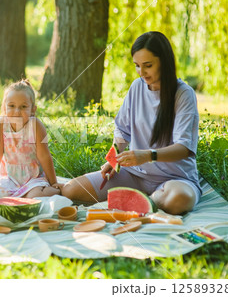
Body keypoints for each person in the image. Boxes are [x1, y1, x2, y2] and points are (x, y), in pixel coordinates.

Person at [62, 31, 201, 215]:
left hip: (174, 180)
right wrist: (113, 160)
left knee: (179, 200)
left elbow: (183, 148)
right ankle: (142, 200)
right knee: (71, 189)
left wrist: (147, 155)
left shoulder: (183, 94)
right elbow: (122, 131)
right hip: (134, 175)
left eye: (148, 66)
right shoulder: (137, 87)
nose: (141, 72)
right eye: (137, 66)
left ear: (164, 62)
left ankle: (144, 200)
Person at [0, 80, 63, 198]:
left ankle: (57, 190)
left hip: (33, 178)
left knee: (35, 197)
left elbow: (44, 156)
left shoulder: (35, 126)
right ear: (4, 107)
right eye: (11, 106)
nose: (17, 111)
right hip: (10, 178)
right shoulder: (1, 124)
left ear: (33, 109)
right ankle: (19, 195)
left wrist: (53, 182)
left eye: (23, 107)